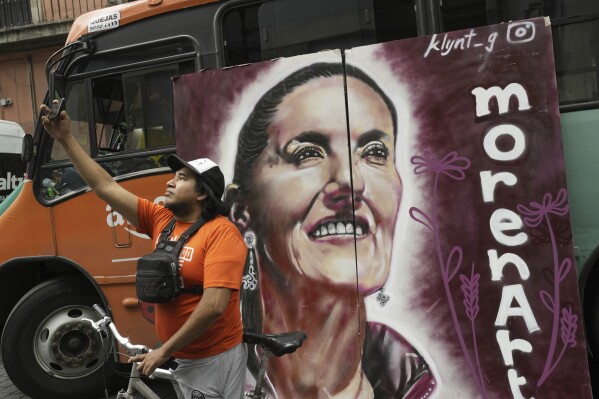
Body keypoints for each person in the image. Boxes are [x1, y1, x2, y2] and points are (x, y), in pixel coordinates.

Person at [224, 62, 437, 398]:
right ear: (242, 209)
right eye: (308, 153)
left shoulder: (410, 377)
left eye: (375, 152)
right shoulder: (221, 375)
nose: (352, 181)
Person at [40, 103, 248, 399]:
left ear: (202, 193)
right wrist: (64, 138)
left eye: (182, 178)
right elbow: (105, 186)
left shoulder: (221, 233)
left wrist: (164, 350)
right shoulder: (162, 221)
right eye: (173, 176)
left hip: (213, 359)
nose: (170, 181)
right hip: (184, 355)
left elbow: (214, 306)